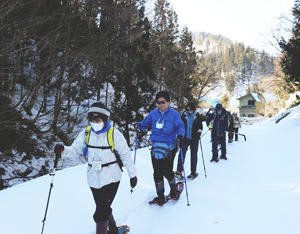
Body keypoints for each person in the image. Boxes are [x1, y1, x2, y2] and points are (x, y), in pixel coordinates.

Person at [54, 102, 137, 234]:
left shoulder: (114, 134)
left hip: (111, 178)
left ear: (104, 119)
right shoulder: (86, 133)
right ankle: (114, 230)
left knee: (100, 213)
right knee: (102, 207)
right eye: (91, 119)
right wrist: (63, 150)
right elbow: (75, 150)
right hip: (93, 178)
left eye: (97, 119)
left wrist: (133, 175)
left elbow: (126, 155)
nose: (94, 122)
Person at [138, 90, 185, 205]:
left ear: (168, 102)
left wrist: (180, 134)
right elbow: (145, 123)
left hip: (170, 146)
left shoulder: (174, 114)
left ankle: (174, 190)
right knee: (157, 172)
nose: (160, 105)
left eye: (163, 102)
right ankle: (160, 196)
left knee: (167, 171)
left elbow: (180, 126)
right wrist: (139, 126)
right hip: (156, 147)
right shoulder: (153, 113)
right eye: (158, 102)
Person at [175, 102, 203, 179]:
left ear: (193, 109)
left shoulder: (197, 116)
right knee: (181, 154)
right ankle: (179, 171)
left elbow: (200, 126)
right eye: (188, 109)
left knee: (193, 155)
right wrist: (179, 135)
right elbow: (179, 126)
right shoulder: (183, 115)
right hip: (184, 139)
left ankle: (193, 172)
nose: (189, 111)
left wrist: (199, 131)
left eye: (190, 110)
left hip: (194, 139)